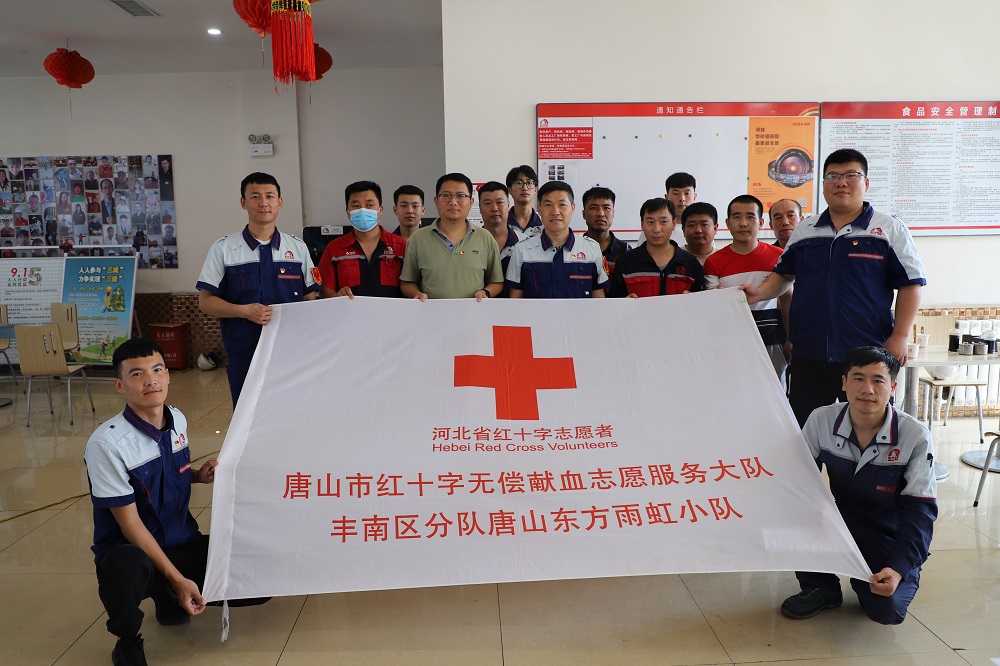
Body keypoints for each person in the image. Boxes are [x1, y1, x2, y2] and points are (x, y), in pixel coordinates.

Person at [84, 339, 269, 666]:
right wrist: (179, 579)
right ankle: (128, 639)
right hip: (133, 551)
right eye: (137, 374)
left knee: (258, 577)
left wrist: (199, 475)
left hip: (180, 542)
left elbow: (170, 473)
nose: (150, 380)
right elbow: (131, 525)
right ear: (119, 385)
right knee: (124, 569)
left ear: (168, 376)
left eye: (157, 370)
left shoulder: (177, 420)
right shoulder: (107, 444)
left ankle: (167, 595)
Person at [741, 149, 926, 426]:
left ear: (866, 183)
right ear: (823, 184)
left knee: (869, 429)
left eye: (851, 175)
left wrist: (899, 336)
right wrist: (759, 292)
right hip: (810, 352)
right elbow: (784, 275)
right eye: (833, 176)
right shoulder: (806, 230)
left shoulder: (888, 229)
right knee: (807, 430)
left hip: (866, 354)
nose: (841, 182)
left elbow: (911, 285)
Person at [780, 346, 936, 625]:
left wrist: (898, 568)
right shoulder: (821, 420)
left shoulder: (915, 436)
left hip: (888, 531)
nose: (867, 389)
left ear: (893, 387)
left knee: (886, 610)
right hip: (841, 518)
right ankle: (820, 586)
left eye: (878, 380)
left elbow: (920, 512)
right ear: (843, 383)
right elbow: (797, 482)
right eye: (858, 378)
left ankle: (884, 572)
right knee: (795, 508)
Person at [197, 172, 319, 406]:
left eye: (270, 196)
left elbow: (309, 300)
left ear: (279, 202)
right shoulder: (224, 249)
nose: (263, 203)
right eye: (255, 196)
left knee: (292, 413)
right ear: (243, 202)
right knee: (248, 416)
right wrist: (244, 311)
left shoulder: (297, 248)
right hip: (245, 356)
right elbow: (206, 302)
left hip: (292, 354)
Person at [704, 195, 791, 384]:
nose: (743, 223)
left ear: (761, 222)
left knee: (773, 393)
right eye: (737, 217)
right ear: (728, 223)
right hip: (729, 343)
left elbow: (787, 299)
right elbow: (714, 302)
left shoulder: (780, 256)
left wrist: (790, 338)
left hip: (770, 341)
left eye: (750, 217)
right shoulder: (713, 262)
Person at [400, 172, 504, 300]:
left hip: (473, 311)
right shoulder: (418, 239)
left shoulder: (485, 238)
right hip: (431, 311)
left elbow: (497, 282)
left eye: (461, 196)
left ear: (471, 202)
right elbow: (407, 282)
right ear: (436, 201)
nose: (453, 202)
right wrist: (417, 294)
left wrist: (486, 292)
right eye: (446, 195)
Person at [506, 181, 608, 299]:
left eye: (562, 204)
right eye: (548, 205)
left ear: (573, 208)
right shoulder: (522, 250)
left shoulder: (591, 249)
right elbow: (515, 301)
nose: (555, 212)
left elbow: (599, 300)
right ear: (539, 209)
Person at [318, 180, 406, 298]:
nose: (363, 210)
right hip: (348, 310)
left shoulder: (401, 246)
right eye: (356, 206)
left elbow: (411, 285)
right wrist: (337, 296)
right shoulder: (334, 249)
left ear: (380, 210)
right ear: (348, 212)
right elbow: (325, 291)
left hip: (392, 310)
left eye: (369, 205)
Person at [609, 198, 704, 297]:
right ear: (642, 224)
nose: (656, 229)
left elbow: (702, 301)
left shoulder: (690, 263)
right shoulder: (625, 262)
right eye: (650, 222)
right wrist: (625, 302)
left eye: (663, 222)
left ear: (674, 224)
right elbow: (615, 301)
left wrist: (693, 299)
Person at [478, 181, 524, 289]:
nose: (494, 208)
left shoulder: (524, 243)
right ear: (479, 207)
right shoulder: (470, 243)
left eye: (499, 202)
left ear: (508, 205)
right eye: (487, 203)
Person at [581, 186, 629, 281]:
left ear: (613, 213)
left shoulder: (625, 251)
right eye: (594, 208)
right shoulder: (573, 250)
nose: (601, 214)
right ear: (584, 214)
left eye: (606, 208)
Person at [505, 165, 543, 237]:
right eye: (519, 183)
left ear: (535, 190)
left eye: (529, 183)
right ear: (509, 190)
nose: (525, 188)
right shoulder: (502, 222)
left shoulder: (544, 222)